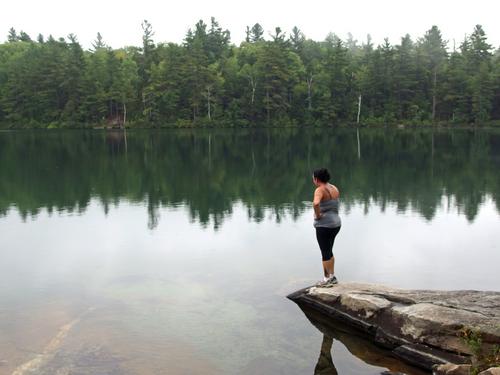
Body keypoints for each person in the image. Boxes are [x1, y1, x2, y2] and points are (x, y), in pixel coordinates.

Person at [312, 168, 341, 287]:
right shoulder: (334, 188)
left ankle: (326, 279)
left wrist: (318, 215)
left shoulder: (319, 190)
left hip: (324, 225)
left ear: (316, 179)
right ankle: (332, 276)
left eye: (313, 178)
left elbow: (316, 203)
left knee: (324, 252)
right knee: (329, 250)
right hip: (336, 224)